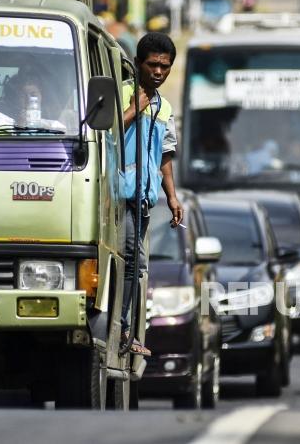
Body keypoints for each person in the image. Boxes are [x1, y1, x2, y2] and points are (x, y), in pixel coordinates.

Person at [121, 32, 182, 356]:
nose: (158, 72)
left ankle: (126, 330)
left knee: (134, 264)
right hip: (117, 198)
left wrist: (171, 197)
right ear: (138, 64)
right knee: (133, 261)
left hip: (143, 199)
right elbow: (102, 132)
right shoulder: (123, 93)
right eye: (152, 65)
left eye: (165, 66)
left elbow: (164, 156)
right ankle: (123, 329)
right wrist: (133, 109)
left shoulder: (165, 106)